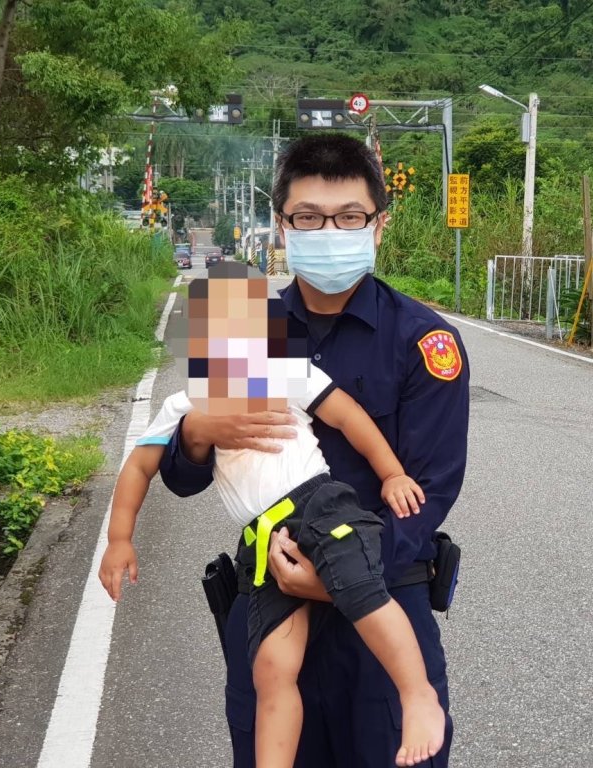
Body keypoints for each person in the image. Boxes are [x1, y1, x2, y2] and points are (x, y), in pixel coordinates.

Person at [159, 133, 470, 767]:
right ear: (282, 226)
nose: (330, 231)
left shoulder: (423, 341)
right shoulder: (242, 331)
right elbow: (181, 478)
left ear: (379, 225)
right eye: (308, 217)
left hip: (380, 608)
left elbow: (428, 491)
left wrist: (341, 579)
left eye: (349, 217)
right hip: (270, 601)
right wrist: (200, 432)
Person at [97, 265, 445, 767]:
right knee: (271, 667)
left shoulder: (286, 372)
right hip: (263, 537)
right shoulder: (187, 403)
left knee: (361, 590)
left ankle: (417, 695)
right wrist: (119, 538)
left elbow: (349, 416)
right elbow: (140, 465)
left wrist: (391, 474)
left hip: (318, 507)